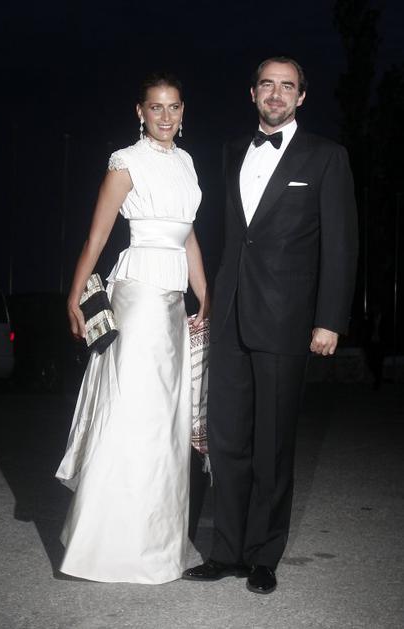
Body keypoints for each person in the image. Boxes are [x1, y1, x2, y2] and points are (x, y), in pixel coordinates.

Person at [183, 56, 358, 594]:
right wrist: (209, 299)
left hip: (286, 320)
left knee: (272, 445)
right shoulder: (232, 150)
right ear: (253, 92)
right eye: (267, 85)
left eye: (287, 87)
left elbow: (341, 245)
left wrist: (329, 320)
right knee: (227, 440)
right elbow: (229, 234)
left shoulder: (327, 156)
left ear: (301, 96)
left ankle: (263, 555)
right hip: (230, 314)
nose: (276, 94)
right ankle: (226, 551)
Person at [56, 72, 208, 584]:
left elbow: (187, 236)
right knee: (134, 413)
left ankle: (159, 544)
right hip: (139, 295)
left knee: (167, 420)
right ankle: (107, 545)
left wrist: (204, 293)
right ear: (139, 112)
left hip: (173, 299)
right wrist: (75, 295)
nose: (166, 116)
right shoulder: (125, 162)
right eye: (155, 107)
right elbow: (96, 237)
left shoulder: (187, 162)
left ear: (183, 112)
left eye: (174, 107)